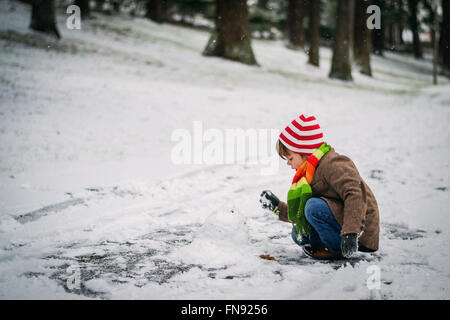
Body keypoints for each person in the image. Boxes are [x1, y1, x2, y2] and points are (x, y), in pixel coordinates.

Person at [260, 114, 379, 260]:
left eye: (290, 158)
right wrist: (277, 207)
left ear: (304, 152)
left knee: (313, 206)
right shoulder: (309, 172)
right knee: (299, 234)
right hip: (342, 221)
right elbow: (300, 212)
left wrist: (351, 232)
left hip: (358, 229)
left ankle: (336, 250)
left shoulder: (333, 163)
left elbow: (355, 194)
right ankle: (326, 245)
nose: (288, 163)